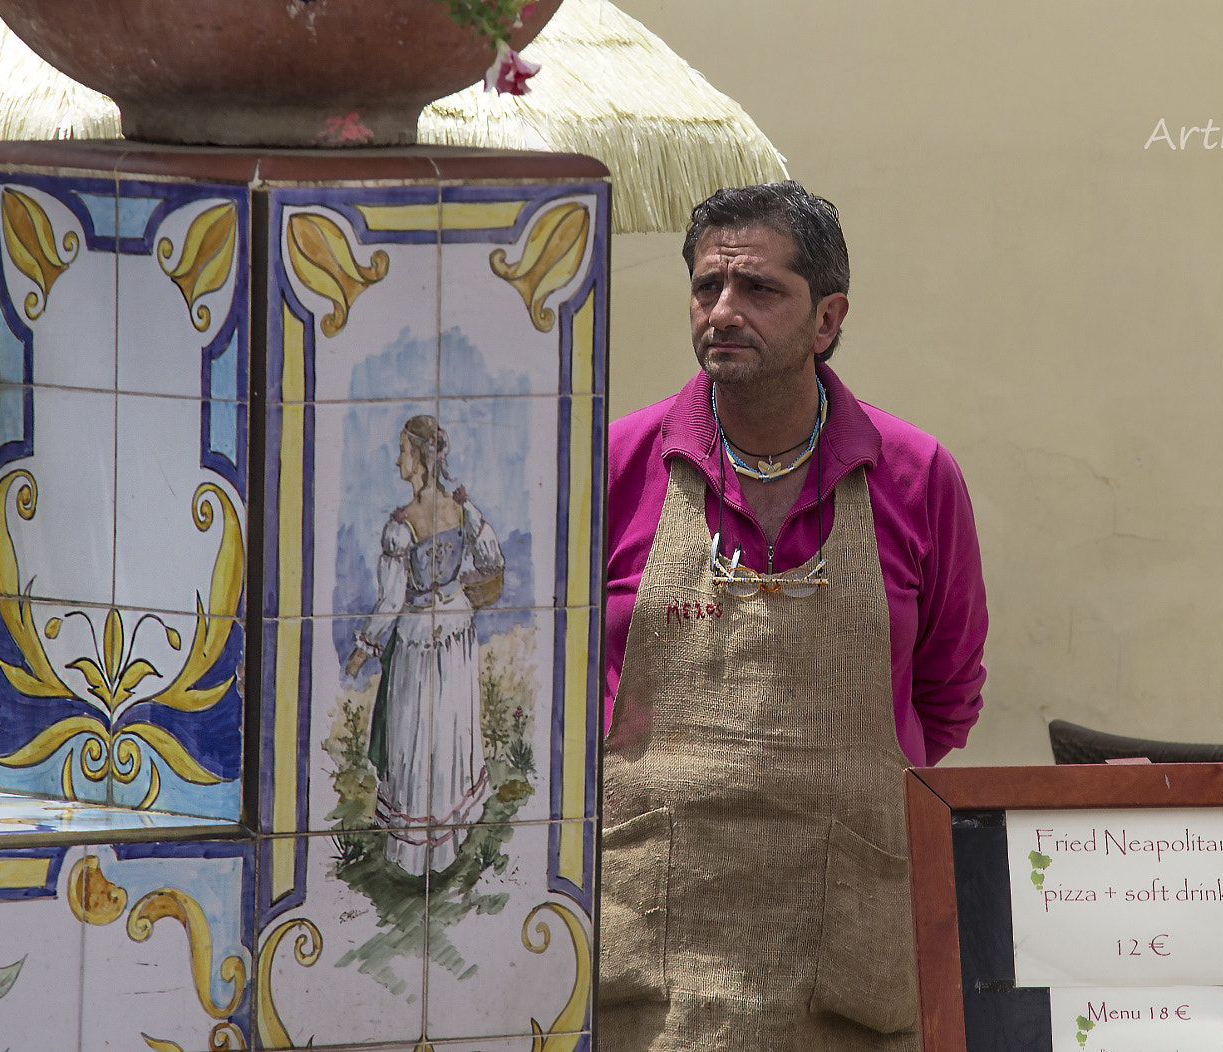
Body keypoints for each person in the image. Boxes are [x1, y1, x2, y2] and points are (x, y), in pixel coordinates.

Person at [599, 183, 989, 1051]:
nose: (724, 313)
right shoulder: (617, 463)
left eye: (759, 291)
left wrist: (846, 791)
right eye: (707, 288)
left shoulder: (916, 476)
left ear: (827, 318)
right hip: (650, 939)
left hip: (846, 945)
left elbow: (949, 694)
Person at [344, 415, 505, 876]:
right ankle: (450, 835)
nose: (398, 461)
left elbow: (392, 600)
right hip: (457, 630)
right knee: (447, 726)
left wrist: (365, 647)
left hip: (419, 637)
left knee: (418, 732)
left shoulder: (402, 527)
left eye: (403, 452)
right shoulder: (461, 510)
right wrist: (456, 591)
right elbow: (491, 559)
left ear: (419, 460)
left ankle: (416, 849)